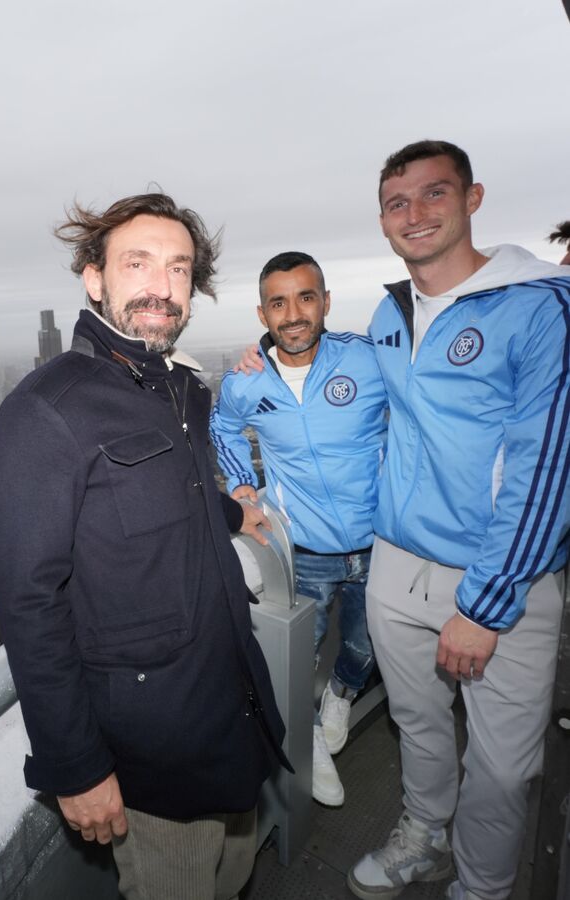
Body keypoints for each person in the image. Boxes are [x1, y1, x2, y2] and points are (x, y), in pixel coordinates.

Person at [0, 192, 290, 900]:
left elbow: (167, 494)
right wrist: (76, 766)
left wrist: (230, 511)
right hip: (154, 748)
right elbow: (28, 600)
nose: (163, 286)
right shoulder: (47, 409)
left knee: (235, 873)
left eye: (180, 269)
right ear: (94, 279)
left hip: (229, 710)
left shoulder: (178, 386)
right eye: (139, 263)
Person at [344, 141, 570, 900]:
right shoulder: (388, 310)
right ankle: (424, 836)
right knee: (418, 725)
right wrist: (266, 361)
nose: (415, 215)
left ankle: (483, 887)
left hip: (498, 579)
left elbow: (547, 466)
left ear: (473, 199)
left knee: (504, 767)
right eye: (397, 203)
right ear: (381, 220)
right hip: (396, 564)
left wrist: (487, 601)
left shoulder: (540, 306)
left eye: (434, 194)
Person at [209, 251, 386, 808]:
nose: (293, 314)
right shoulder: (245, 383)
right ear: (263, 314)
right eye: (278, 302)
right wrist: (241, 488)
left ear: (325, 303)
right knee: (297, 656)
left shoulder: (368, 359)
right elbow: (223, 426)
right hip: (303, 548)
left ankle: (342, 693)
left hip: (382, 541)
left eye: (305, 297)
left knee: (363, 643)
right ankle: (309, 738)